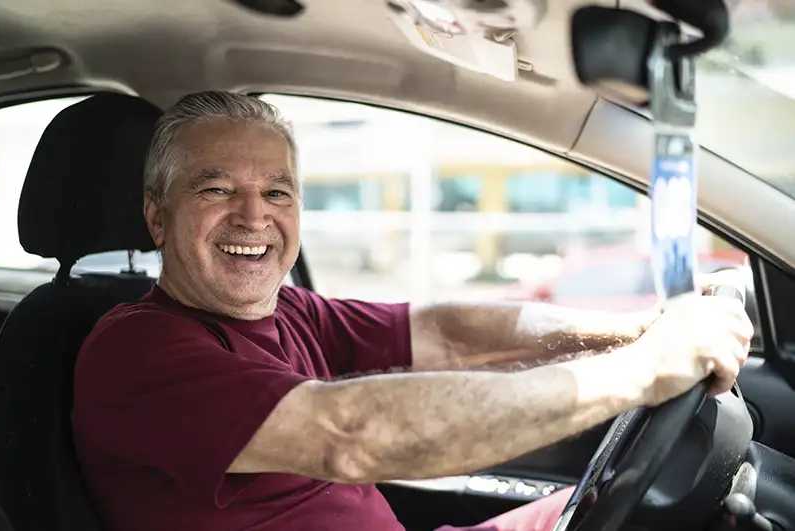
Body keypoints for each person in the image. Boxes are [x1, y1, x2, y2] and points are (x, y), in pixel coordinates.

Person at [72, 91, 753, 531]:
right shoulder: (136, 351)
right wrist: (639, 371)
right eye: (217, 188)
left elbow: (443, 331)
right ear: (158, 216)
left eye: (277, 193)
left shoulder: (288, 312)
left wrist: (635, 331)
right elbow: (351, 433)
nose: (254, 216)